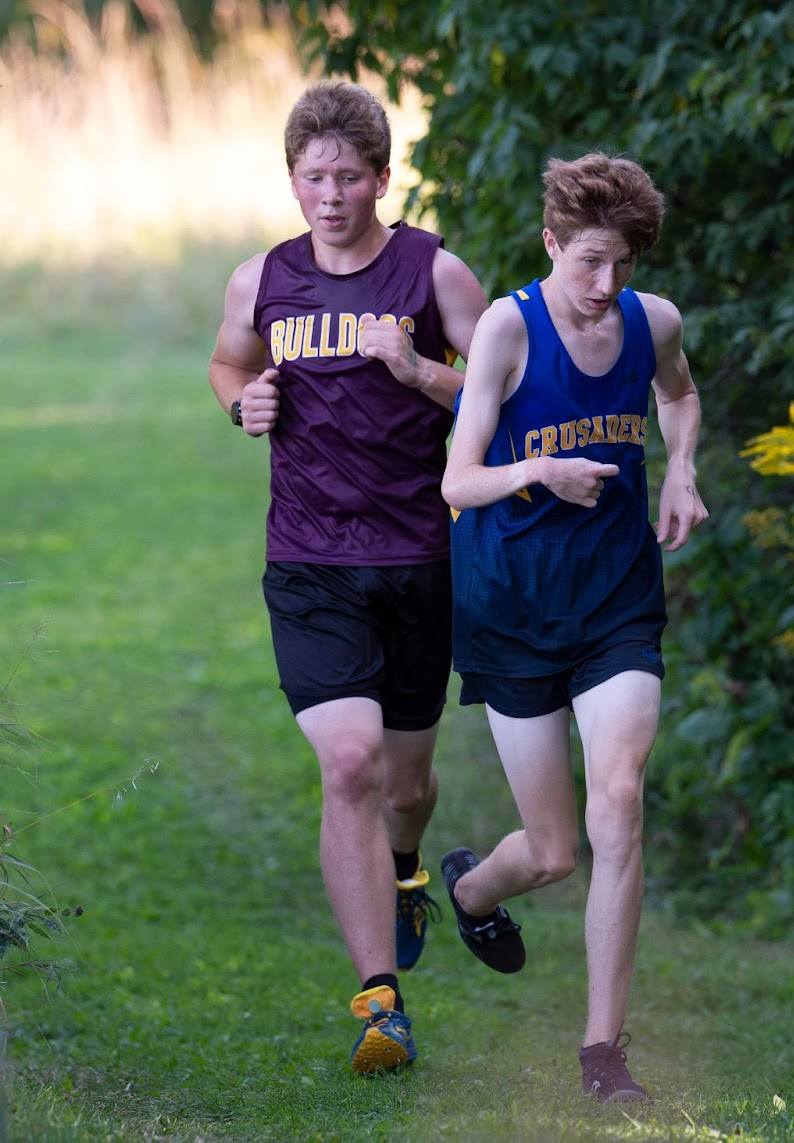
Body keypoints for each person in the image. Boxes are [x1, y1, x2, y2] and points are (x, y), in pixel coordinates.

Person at [207, 79, 488, 1073]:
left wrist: (418, 372)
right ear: (293, 179)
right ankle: (380, 1002)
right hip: (310, 560)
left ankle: (406, 865)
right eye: (313, 177)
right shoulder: (262, 279)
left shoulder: (435, 273)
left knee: (406, 784)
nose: (330, 196)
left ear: (380, 177)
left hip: (417, 558)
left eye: (348, 178)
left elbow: (506, 390)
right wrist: (241, 403)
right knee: (352, 764)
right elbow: (229, 363)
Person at [438, 152, 707, 1104]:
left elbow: (679, 393)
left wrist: (680, 469)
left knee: (619, 801)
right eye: (590, 260)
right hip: (511, 604)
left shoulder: (654, 321)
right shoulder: (508, 328)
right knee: (554, 852)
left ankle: (603, 1055)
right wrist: (536, 472)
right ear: (551, 243)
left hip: (614, 600)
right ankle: (471, 890)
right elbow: (457, 480)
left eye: (623, 263)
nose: (606, 283)